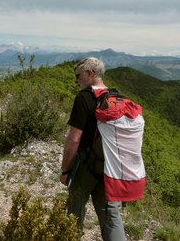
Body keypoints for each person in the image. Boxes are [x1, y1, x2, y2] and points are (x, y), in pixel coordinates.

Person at [60, 57, 126, 241]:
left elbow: (74, 139)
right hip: (111, 167)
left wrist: (65, 170)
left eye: (78, 75)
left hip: (86, 166)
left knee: (75, 210)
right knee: (110, 215)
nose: (76, 80)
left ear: (90, 74)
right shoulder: (116, 97)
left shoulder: (84, 98)